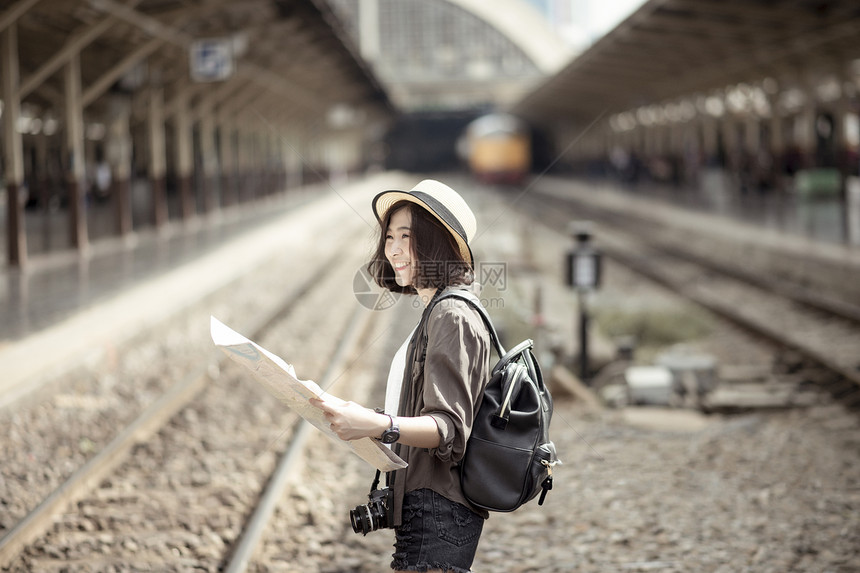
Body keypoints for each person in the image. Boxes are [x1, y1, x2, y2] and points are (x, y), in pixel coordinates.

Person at [311, 179, 492, 572]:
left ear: (436, 242)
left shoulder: (452, 315)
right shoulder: (437, 312)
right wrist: (358, 414)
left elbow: (448, 428)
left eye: (406, 236)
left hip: (438, 510)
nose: (393, 249)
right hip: (427, 506)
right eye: (389, 237)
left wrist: (376, 423)